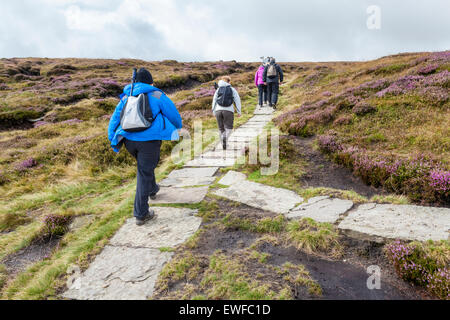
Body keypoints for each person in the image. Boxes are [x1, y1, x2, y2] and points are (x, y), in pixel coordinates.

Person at [108, 68, 182, 226]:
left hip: (128, 140)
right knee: (144, 172)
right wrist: (178, 127)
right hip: (149, 141)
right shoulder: (157, 94)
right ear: (150, 81)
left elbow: (114, 119)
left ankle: (152, 189)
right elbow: (174, 116)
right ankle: (141, 214)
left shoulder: (126, 96)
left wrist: (112, 139)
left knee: (145, 168)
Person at [212, 76, 241, 150]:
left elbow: (214, 100)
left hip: (218, 111)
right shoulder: (232, 89)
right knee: (229, 128)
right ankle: (224, 139)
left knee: (221, 128)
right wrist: (238, 111)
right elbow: (237, 100)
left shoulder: (218, 89)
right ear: (229, 81)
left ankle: (224, 144)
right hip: (228, 111)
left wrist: (213, 110)